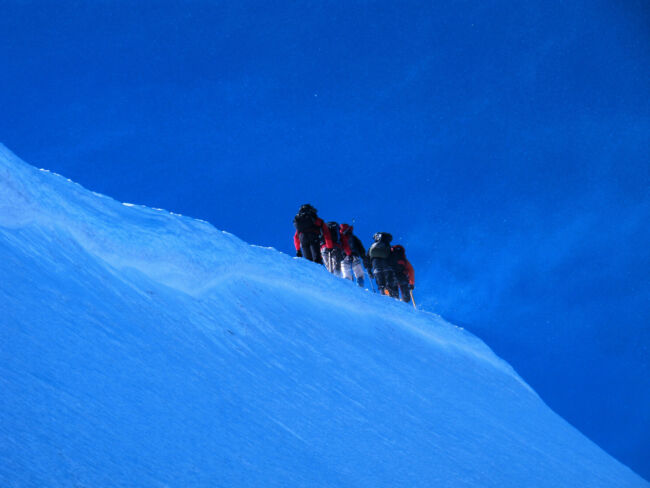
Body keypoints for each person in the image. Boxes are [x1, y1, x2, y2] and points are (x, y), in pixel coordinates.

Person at [367, 232, 399, 298]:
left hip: (376, 267)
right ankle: (393, 297)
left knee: (381, 285)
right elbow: (393, 258)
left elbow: (367, 258)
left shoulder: (372, 246)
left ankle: (384, 296)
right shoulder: (387, 246)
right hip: (387, 266)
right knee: (389, 283)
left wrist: (369, 270)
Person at [339, 223, 368, 288]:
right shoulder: (354, 238)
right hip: (355, 256)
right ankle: (360, 287)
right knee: (359, 274)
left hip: (343, 257)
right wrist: (364, 258)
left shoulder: (340, 237)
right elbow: (361, 248)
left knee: (346, 274)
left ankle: (348, 288)